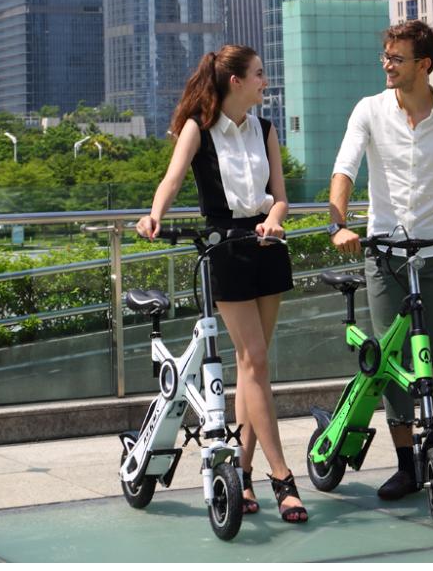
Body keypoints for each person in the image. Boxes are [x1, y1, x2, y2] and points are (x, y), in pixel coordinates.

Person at [136, 45, 307, 524]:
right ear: (236, 81)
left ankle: (244, 475)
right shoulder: (199, 129)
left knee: (254, 367)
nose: (264, 82)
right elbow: (171, 181)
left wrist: (275, 219)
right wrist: (154, 215)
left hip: (268, 246)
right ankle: (282, 478)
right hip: (224, 249)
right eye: (258, 74)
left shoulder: (266, 129)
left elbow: (280, 198)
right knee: (255, 361)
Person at [328, 20, 433, 500]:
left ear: (424, 65)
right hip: (385, 256)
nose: (387, 64)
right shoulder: (369, 109)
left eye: (396, 58)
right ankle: (406, 465)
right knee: (389, 360)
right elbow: (345, 169)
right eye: (385, 56)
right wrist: (338, 224)